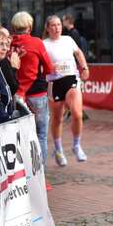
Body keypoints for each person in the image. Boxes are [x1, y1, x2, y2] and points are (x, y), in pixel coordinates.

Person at [43, 15, 90, 165]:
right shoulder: (44, 44)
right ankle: (58, 149)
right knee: (57, 118)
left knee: (77, 113)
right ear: (47, 28)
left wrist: (84, 67)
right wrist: (49, 68)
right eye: (53, 25)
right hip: (54, 82)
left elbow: (79, 53)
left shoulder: (68, 40)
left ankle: (76, 145)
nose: (57, 28)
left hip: (71, 79)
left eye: (59, 25)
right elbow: (39, 66)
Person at [11, 11, 55, 168]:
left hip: (16, 95)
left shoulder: (8, 44)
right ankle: (40, 173)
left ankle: (25, 171)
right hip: (37, 93)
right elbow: (49, 68)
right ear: (30, 27)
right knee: (41, 134)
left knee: (21, 136)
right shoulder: (36, 43)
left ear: (13, 27)